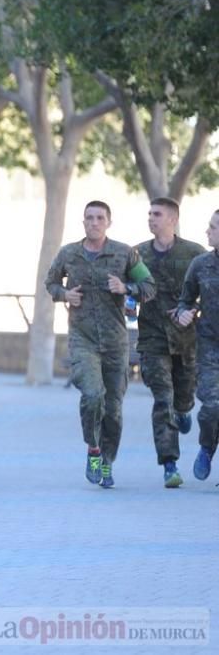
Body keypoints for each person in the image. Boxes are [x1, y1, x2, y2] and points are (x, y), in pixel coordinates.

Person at [44, 200, 155, 489]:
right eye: (89, 218)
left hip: (116, 343)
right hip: (83, 340)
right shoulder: (69, 253)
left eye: (99, 218)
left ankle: (107, 461)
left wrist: (126, 288)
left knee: (113, 409)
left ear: (108, 222)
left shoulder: (125, 253)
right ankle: (93, 450)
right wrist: (64, 295)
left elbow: (149, 287)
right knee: (93, 395)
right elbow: (51, 283)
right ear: (83, 222)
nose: (94, 222)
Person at [134, 197, 205, 488]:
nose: (151, 218)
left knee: (183, 397)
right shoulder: (136, 254)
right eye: (149, 213)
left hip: (187, 341)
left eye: (157, 214)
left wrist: (194, 310)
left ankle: (184, 409)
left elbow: (210, 293)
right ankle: (170, 465)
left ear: (172, 219)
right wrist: (128, 300)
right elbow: (130, 288)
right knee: (162, 399)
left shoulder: (194, 254)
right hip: (152, 340)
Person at [176, 209, 219, 483]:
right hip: (210, 347)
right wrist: (184, 312)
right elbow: (185, 299)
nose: (207, 232)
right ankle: (206, 446)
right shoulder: (200, 264)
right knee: (212, 406)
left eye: (213, 227)